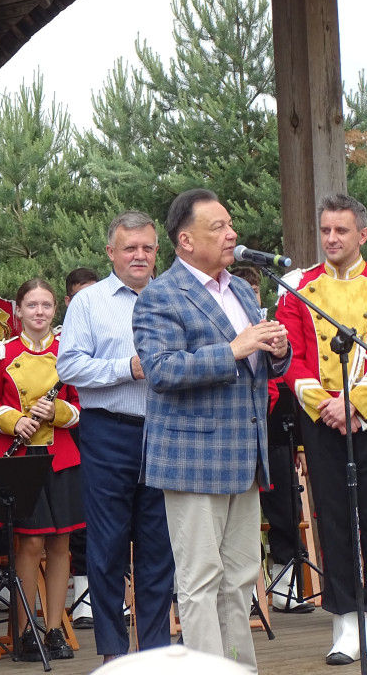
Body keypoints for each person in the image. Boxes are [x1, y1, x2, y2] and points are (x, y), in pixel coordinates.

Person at [133, 189, 291, 672]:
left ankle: (240, 666)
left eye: (230, 224)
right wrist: (234, 349)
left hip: (245, 455)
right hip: (192, 458)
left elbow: (258, 370)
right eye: (218, 226)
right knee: (199, 580)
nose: (232, 234)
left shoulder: (243, 291)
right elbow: (161, 370)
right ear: (185, 240)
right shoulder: (160, 295)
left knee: (241, 577)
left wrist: (276, 353)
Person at [275, 193, 367, 666]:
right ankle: (343, 624)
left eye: (341, 231)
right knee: (332, 517)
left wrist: (355, 404)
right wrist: (326, 406)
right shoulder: (298, 287)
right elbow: (290, 354)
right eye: (326, 231)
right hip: (320, 418)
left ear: (363, 234)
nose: (331, 239)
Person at [57, 211, 174, 663]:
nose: (139, 255)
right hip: (109, 432)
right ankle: (112, 654)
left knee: (158, 549)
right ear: (111, 252)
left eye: (147, 247)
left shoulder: (172, 297)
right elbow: (69, 366)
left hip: (164, 432)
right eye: (130, 248)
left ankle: (156, 653)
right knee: (106, 548)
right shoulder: (89, 303)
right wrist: (127, 369)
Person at [0, 278, 84, 661]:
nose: (39, 312)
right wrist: (13, 421)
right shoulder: (0, 354)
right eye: (32, 305)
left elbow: (78, 404)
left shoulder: (68, 352)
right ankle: (25, 631)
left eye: (46, 305)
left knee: (60, 543)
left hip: (61, 457)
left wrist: (56, 412)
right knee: (32, 542)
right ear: (18, 310)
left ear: (54, 311)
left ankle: (54, 628)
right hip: (20, 459)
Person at [230, 264, 312, 614]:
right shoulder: (230, 326)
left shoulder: (274, 328)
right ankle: (243, 594)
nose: (249, 295)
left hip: (278, 439)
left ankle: (286, 589)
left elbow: (293, 390)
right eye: (243, 290)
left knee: (285, 513)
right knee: (237, 522)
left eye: (254, 290)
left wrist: (302, 446)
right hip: (238, 436)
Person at [61, 267, 98, 627]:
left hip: (101, 433)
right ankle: (84, 598)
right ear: (69, 302)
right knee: (81, 525)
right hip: (69, 444)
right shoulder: (62, 341)